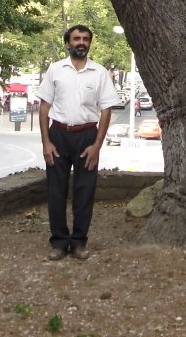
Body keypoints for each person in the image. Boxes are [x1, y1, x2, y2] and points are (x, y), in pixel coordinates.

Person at [37, 24, 120, 261]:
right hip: (59, 135)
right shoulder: (55, 70)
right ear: (67, 43)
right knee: (56, 191)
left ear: (89, 43)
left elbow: (105, 110)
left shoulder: (100, 72)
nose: (81, 42)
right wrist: (46, 142)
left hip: (87, 137)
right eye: (76, 38)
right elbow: (44, 107)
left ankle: (80, 241)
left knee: (85, 191)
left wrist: (97, 145)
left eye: (85, 39)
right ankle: (59, 243)